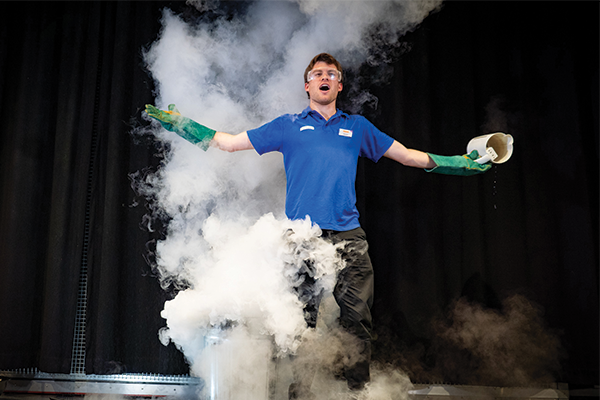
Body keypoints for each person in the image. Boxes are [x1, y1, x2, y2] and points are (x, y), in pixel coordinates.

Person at [145, 53, 490, 398]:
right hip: (301, 238)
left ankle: (356, 391)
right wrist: (184, 125)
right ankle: (297, 393)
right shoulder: (288, 125)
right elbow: (230, 142)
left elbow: (407, 155)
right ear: (307, 85)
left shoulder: (356, 127)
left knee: (357, 318)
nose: (324, 77)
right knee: (298, 326)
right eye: (317, 73)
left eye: (331, 74)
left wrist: (458, 163)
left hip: (348, 236)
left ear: (339, 85)